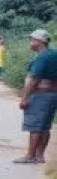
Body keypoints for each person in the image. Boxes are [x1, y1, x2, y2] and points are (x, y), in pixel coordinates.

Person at [15, 30, 57, 164]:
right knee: (45, 126)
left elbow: (34, 79)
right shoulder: (53, 55)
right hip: (52, 94)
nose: (30, 42)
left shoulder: (41, 57)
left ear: (39, 42)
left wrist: (25, 98)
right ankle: (40, 155)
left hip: (40, 94)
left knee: (35, 126)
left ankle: (30, 156)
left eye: (32, 40)